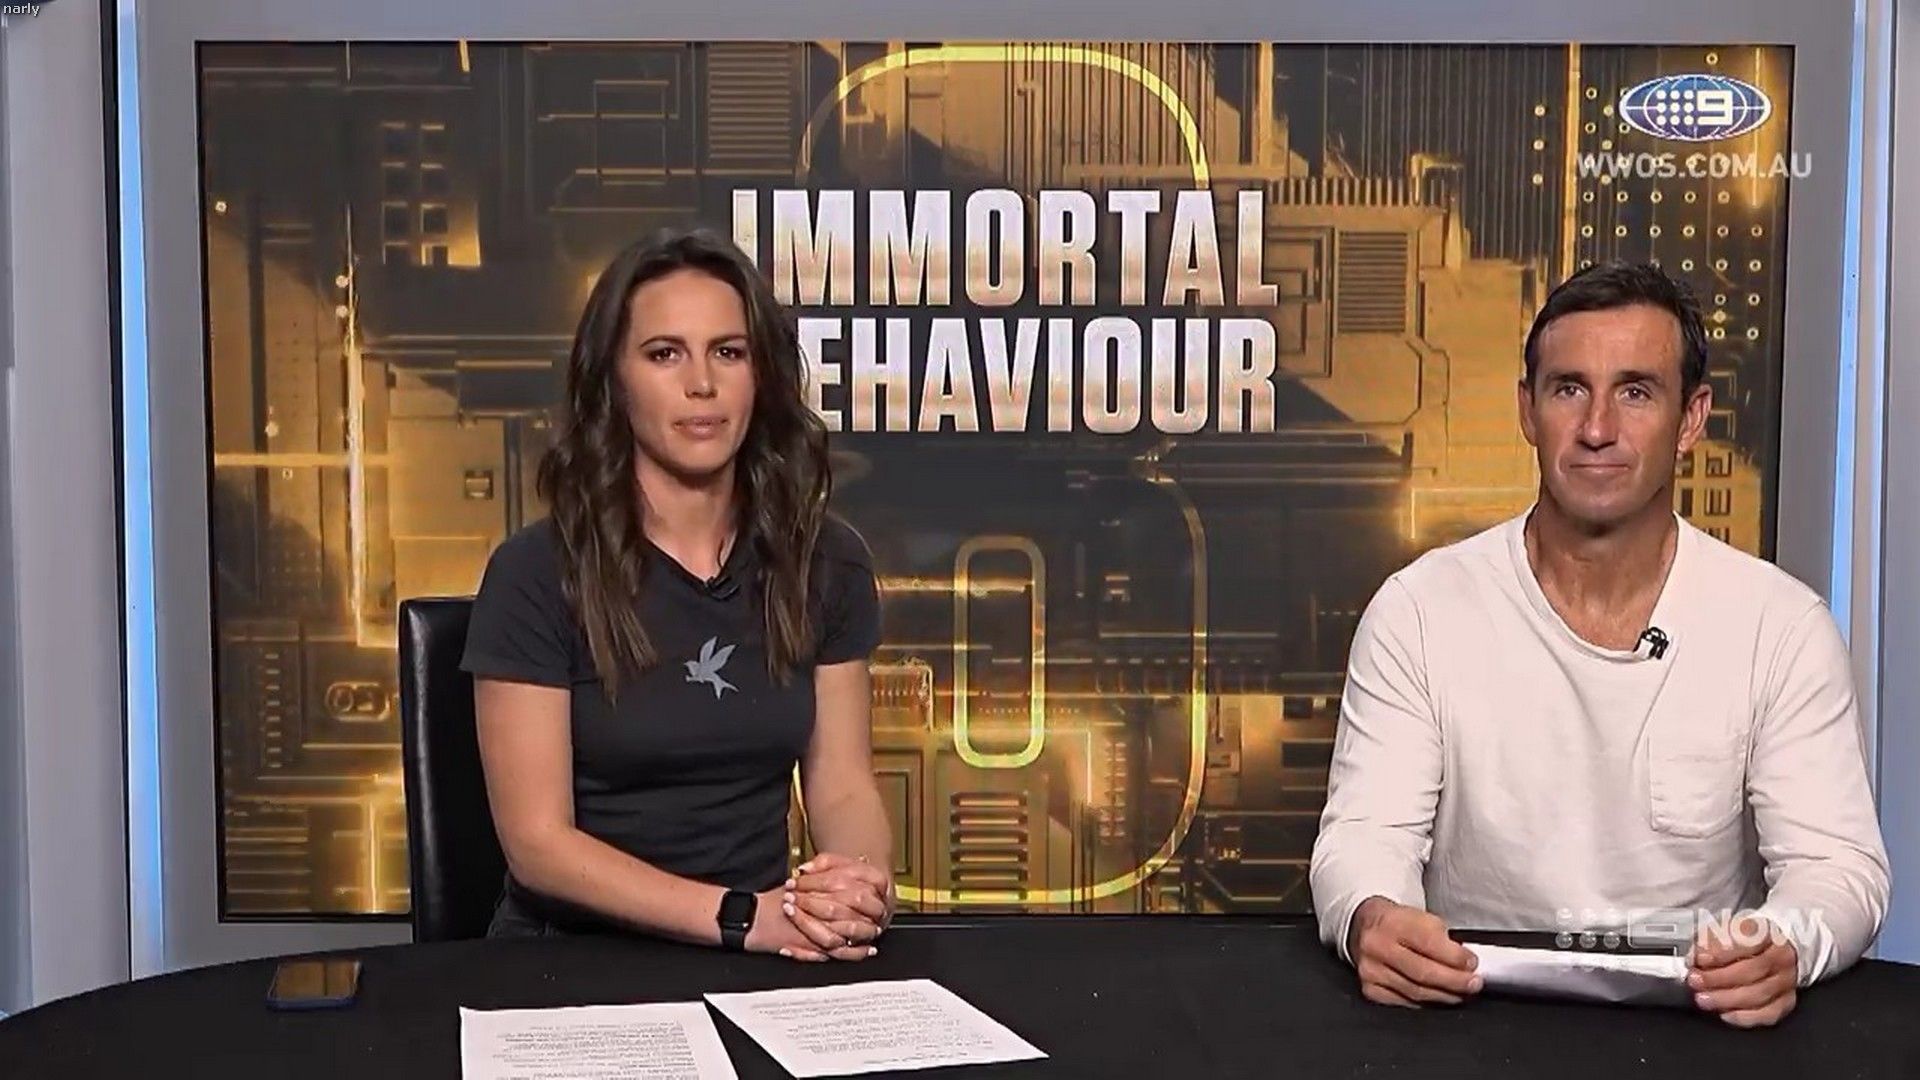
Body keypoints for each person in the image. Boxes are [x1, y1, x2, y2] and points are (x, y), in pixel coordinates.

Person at [1311, 261, 1889, 1027]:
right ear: (1528, 410)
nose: (1596, 429)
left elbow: (1836, 867)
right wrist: (1372, 915)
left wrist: (1783, 943)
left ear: (1691, 418)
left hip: (1696, 1027)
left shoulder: (1779, 627)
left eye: (1636, 392)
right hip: (1470, 1020)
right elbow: (1365, 837)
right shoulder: (1419, 611)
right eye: (1569, 389)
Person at [461, 226, 894, 961]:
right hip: (571, 958)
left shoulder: (826, 561)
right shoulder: (535, 574)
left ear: (761, 375)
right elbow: (538, 845)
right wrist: (740, 918)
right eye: (665, 354)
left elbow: (843, 784)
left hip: (766, 947)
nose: (702, 384)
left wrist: (854, 888)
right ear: (615, 380)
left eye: (729, 352)